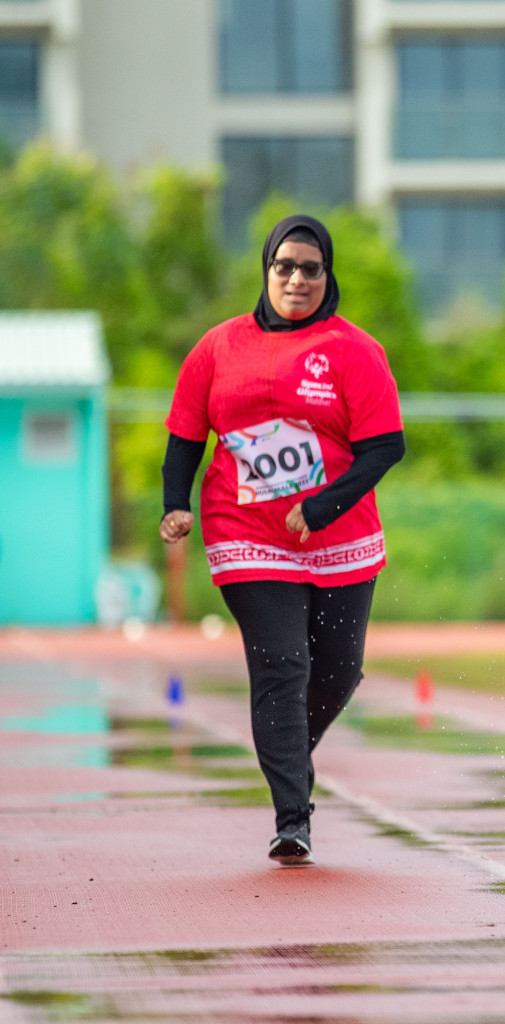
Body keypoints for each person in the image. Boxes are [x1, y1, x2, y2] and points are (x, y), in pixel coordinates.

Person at [159, 215, 405, 865]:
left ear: (328, 276)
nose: (297, 279)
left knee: (339, 672)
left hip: (338, 532)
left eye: (311, 268)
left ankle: (287, 754)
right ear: (266, 271)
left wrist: (323, 505)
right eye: (285, 267)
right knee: (283, 665)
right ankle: (293, 816)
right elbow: (186, 434)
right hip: (245, 532)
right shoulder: (217, 348)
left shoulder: (354, 350)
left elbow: (385, 448)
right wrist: (174, 505)